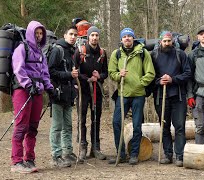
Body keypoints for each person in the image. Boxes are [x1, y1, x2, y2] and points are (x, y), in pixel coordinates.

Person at [11, 20, 54, 173]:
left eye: (41, 33)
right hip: (23, 91)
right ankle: (16, 161)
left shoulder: (41, 53)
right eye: (36, 33)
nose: (38, 36)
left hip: (37, 92)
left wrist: (50, 88)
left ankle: (29, 158)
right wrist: (28, 84)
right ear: (30, 33)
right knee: (21, 125)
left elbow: (45, 73)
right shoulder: (21, 49)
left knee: (33, 127)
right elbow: (18, 69)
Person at [108, 28, 155, 165]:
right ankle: (121, 154)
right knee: (116, 122)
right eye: (125, 36)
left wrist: (140, 84)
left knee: (137, 125)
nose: (127, 38)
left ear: (133, 38)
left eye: (129, 36)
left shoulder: (142, 53)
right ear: (121, 39)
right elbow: (111, 72)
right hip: (122, 94)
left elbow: (150, 73)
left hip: (138, 95)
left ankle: (134, 154)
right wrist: (119, 75)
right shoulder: (116, 54)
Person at [150, 31, 191, 167]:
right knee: (164, 127)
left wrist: (173, 79)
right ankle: (168, 154)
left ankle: (180, 155)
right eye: (164, 41)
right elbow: (149, 76)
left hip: (178, 96)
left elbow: (187, 74)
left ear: (173, 41)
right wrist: (158, 81)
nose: (167, 43)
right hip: (161, 96)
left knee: (179, 126)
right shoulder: (153, 56)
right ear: (160, 41)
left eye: (169, 41)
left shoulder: (180, 55)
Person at [74, 26, 108, 162]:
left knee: (96, 118)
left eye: (96, 35)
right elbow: (75, 72)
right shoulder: (80, 52)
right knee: (82, 119)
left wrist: (99, 76)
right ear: (88, 37)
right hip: (83, 91)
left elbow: (106, 73)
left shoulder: (102, 53)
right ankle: (83, 147)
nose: (94, 38)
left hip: (96, 91)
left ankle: (96, 147)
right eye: (92, 35)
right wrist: (87, 78)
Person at [48, 26, 78, 167]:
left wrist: (74, 85)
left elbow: (70, 72)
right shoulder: (57, 49)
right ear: (65, 35)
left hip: (69, 95)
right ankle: (56, 155)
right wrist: (69, 75)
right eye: (71, 34)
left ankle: (68, 152)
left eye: (75, 35)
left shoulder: (71, 51)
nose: (73, 37)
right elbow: (50, 71)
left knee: (68, 125)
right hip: (57, 94)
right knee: (57, 126)